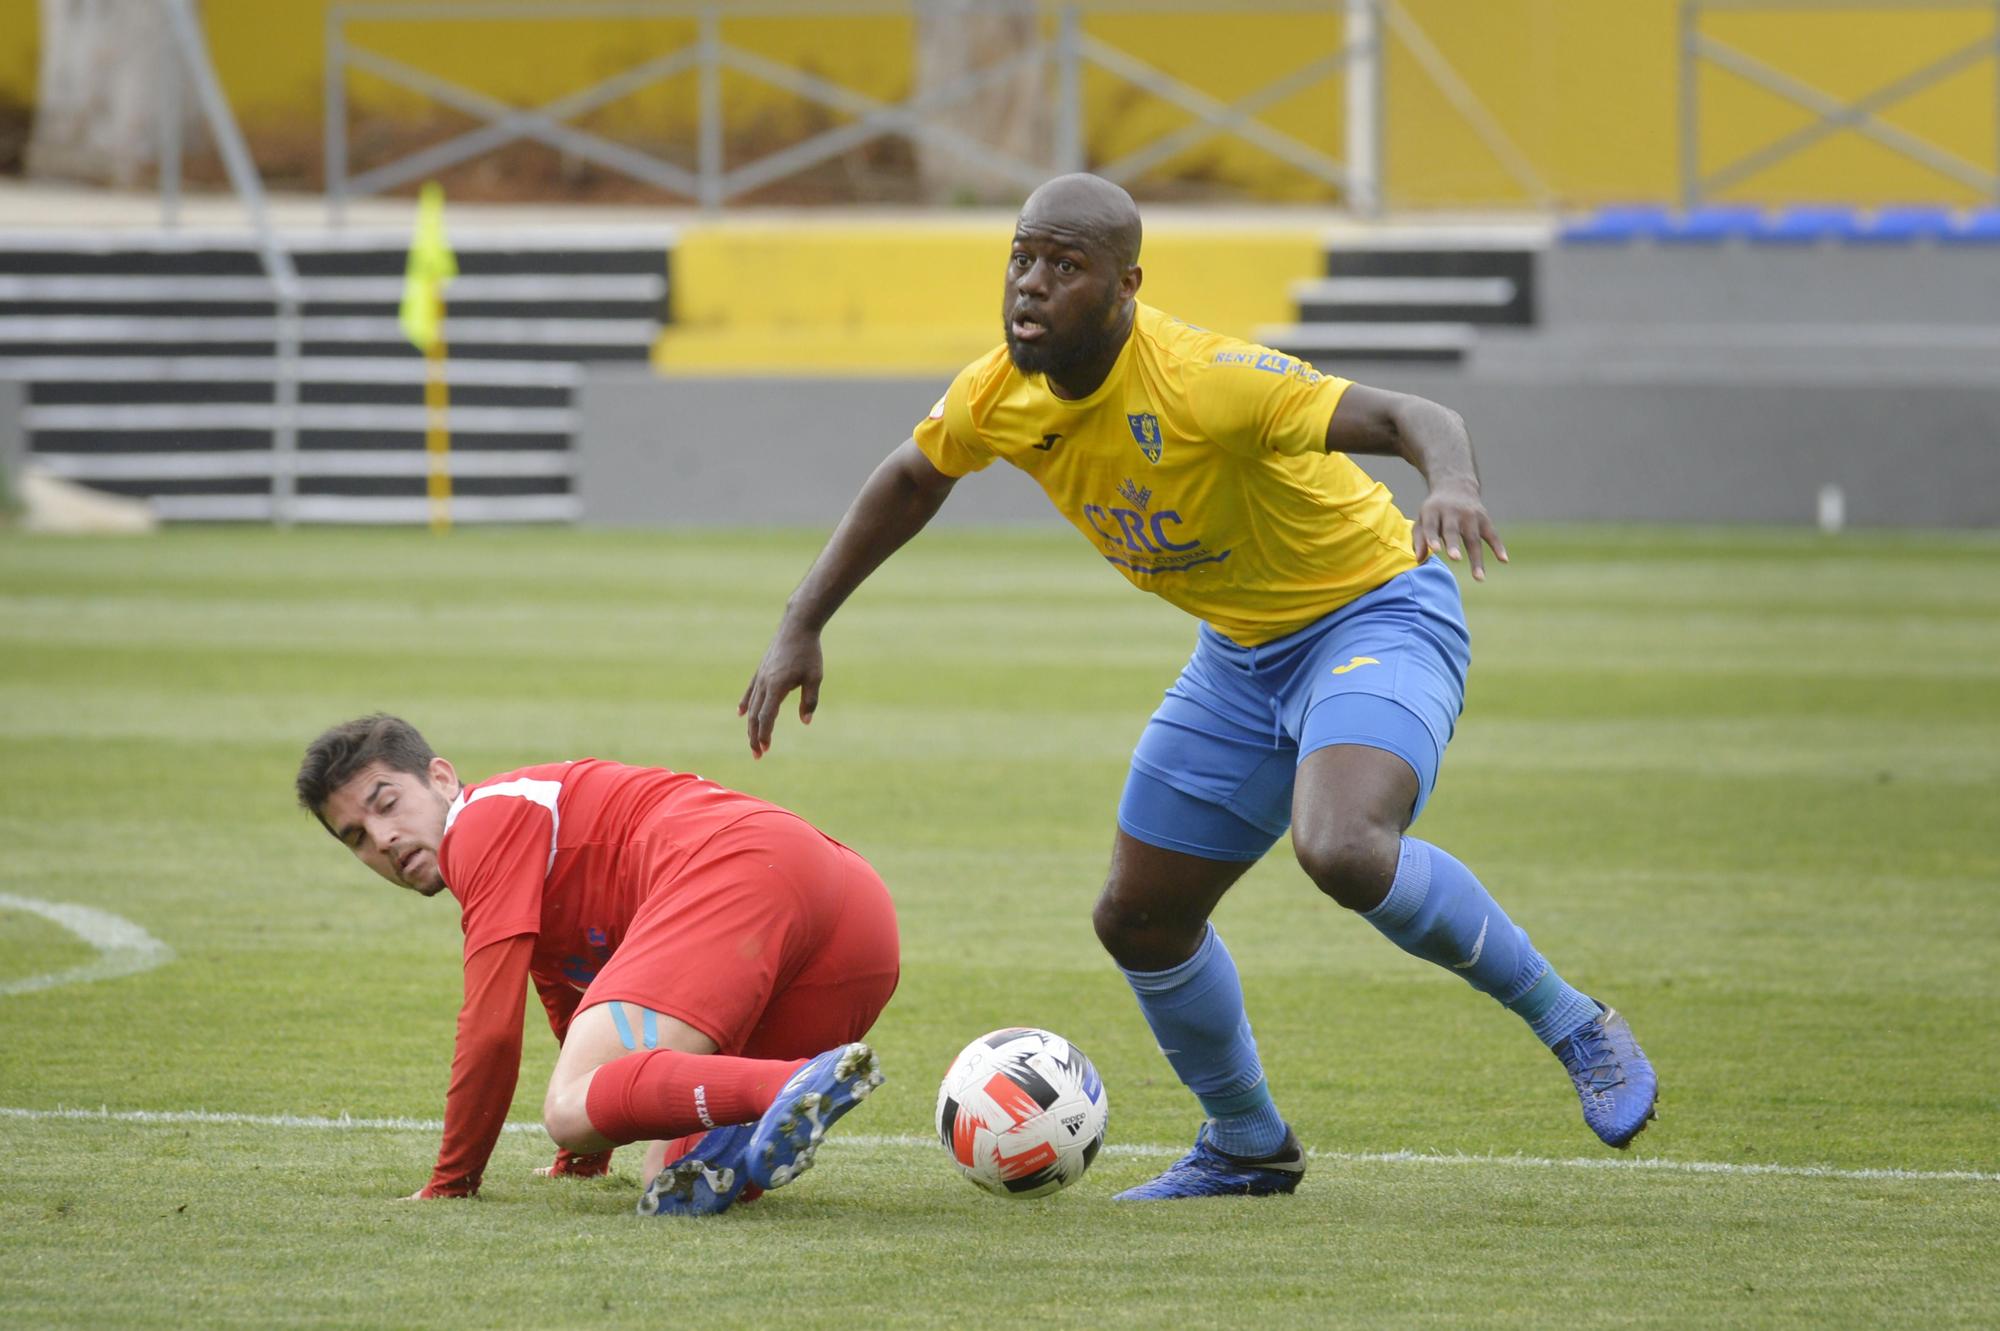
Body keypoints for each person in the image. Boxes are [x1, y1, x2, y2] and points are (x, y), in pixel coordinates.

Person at [740, 173, 1656, 1201]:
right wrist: (801, 619)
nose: (1030, 286)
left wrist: (1450, 483)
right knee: (1138, 917)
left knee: (1343, 847)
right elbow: (913, 476)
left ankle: (1575, 1022)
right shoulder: (1000, 390)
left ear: (1126, 286)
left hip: (1375, 614)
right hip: (1241, 654)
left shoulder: (1201, 379)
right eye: (1021, 258)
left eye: (1064, 265)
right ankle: (1246, 1143)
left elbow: (1413, 412)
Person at [295, 714, 900, 1216]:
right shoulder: (518, 850)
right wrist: (582, 1161)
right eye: (355, 836)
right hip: (854, 919)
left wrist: (453, 1181)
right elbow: (576, 999)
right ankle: (781, 1101)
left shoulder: (480, 823)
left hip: (741, 868)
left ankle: (786, 1084)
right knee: (670, 1174)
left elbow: (492, 1029)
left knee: (567, 1108)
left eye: (387, 803)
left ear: (442, 778)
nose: (383, 838)